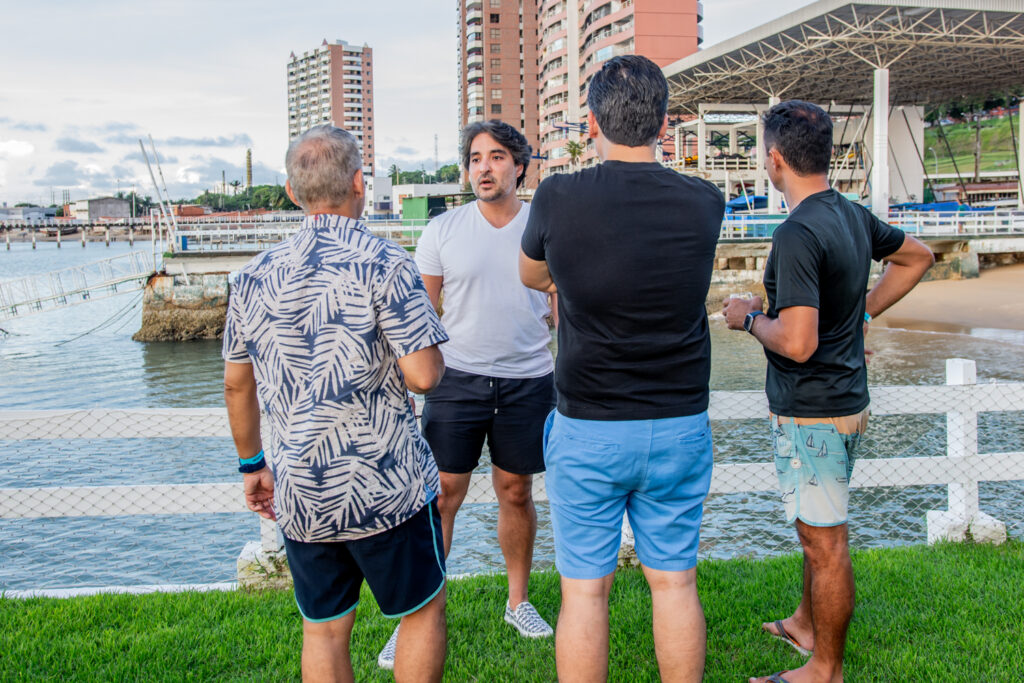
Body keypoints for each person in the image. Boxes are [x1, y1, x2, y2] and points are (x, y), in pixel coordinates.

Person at [520, 55, 725, 683]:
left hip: (590, 423)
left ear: (591, 122)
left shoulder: (559, 195)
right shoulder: (706, 201)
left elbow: (531, 274)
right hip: (679, 419)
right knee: (675, 584)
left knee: (584, 592)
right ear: (664, 122)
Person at [222, 125, 450, 683]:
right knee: (421, 613)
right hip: (385, 483)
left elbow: (237, 384)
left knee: (324, 630)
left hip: (301, 486)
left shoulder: (251, 277)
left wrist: (253, 466)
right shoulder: (386, 261)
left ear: (292, 193)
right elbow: (422, 375)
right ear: (359, 184)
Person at [723, 100, 934, 683]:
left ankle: (826, 669)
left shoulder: (796, 232)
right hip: (845, 401)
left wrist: (746, 318)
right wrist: (860, 313)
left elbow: (795, 342)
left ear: (774, 158)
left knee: (825, 544)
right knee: (816, 531)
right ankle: (805, 623)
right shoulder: (850, 214)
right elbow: (918, 257)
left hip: (813, 413)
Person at [378, 121, 555, 667]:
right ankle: (418, 617)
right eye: (475, 158)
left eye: (497, 157)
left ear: (519, 166)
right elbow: (421, 318)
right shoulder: (442, 230)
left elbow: (564, 300)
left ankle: (517, 602)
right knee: (443, 494)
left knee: (516, 491)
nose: (484, 167)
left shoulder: (545, 225)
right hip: (457, 380)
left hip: (529, 379)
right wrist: (409, 383)